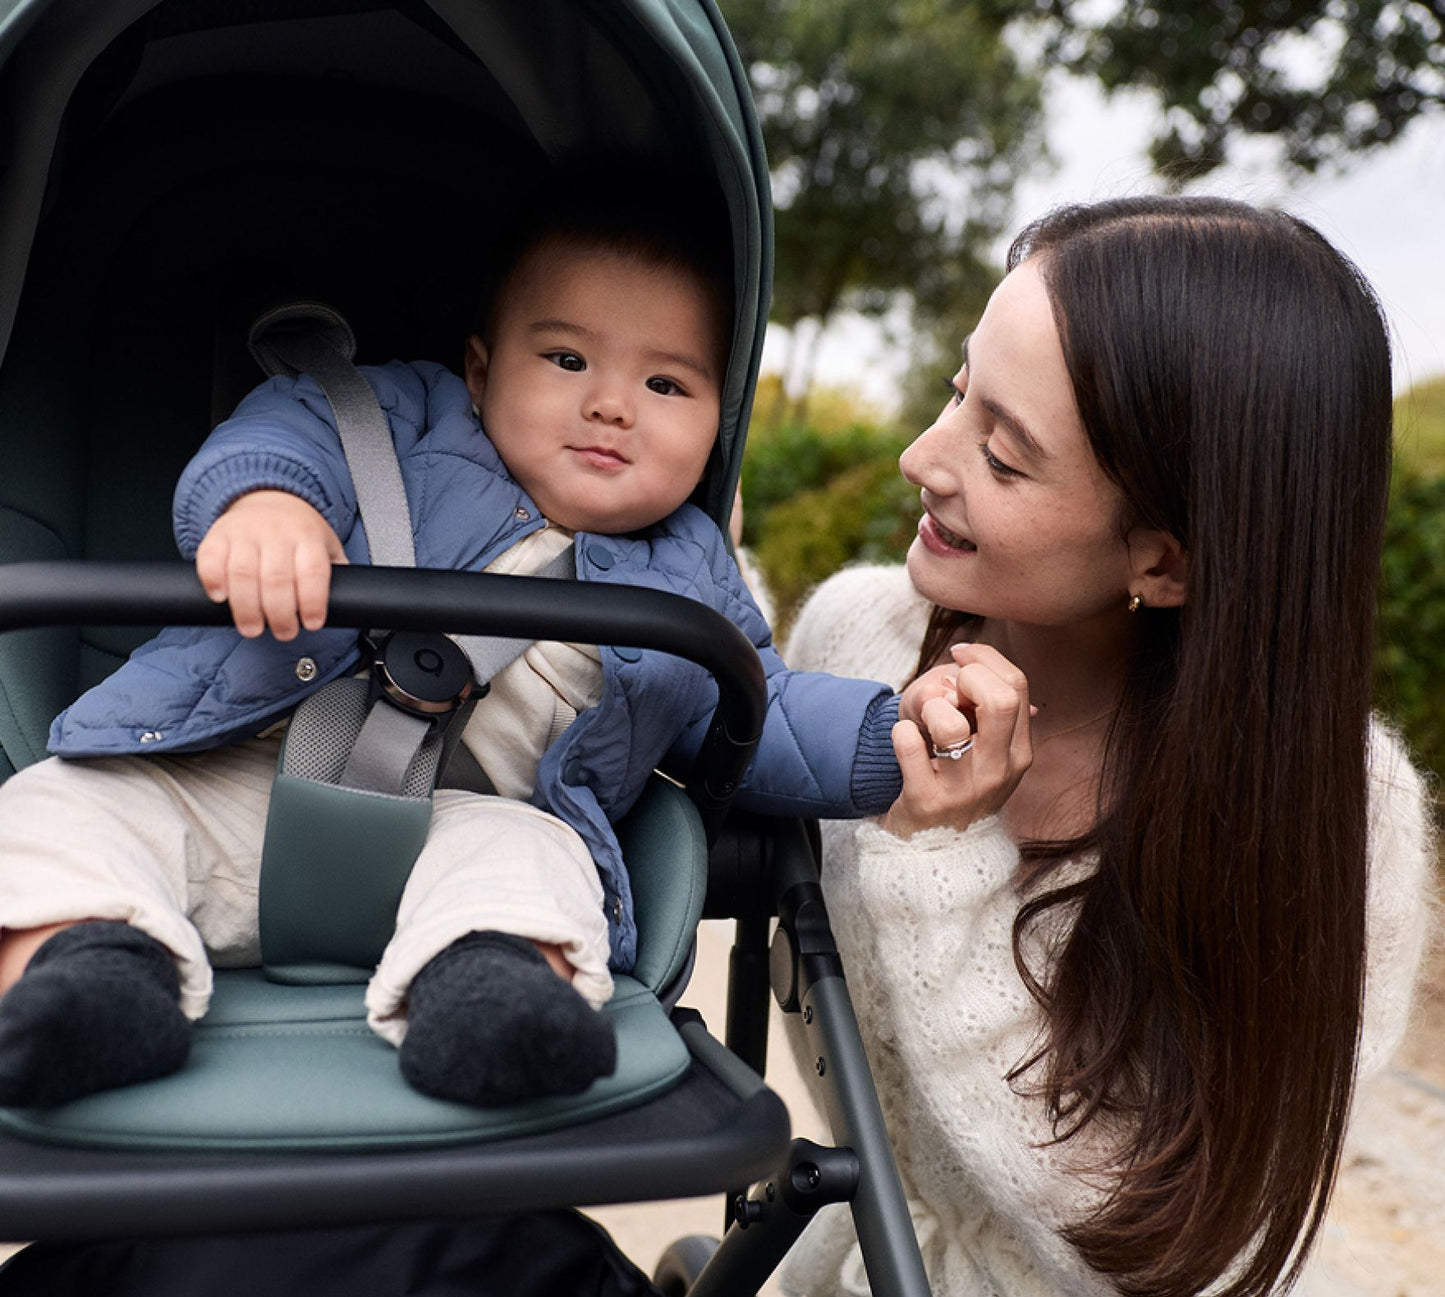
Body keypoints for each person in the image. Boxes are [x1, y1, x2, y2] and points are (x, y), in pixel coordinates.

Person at [0, 180, 946, 1111]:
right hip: (227, 771)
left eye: (665, 383)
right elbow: (291, 428)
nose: (613, 405)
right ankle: (84, 977)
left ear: (717, 425)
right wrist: (267, 504)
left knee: (543, 867)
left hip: (471, 821)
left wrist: (892, 738)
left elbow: (761, 707)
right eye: (568, 359)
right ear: (484, 370)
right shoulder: (402, 417)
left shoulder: (690, 570)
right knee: (57, 808)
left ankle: (491, 1000)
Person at [778, 195, 1436, 1297]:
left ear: (1164, 563)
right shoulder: (863, 636)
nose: (918, 458)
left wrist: (937, 854)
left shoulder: (1341, 816)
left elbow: (1164, 1241)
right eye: (955, 391)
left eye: (999, 452)